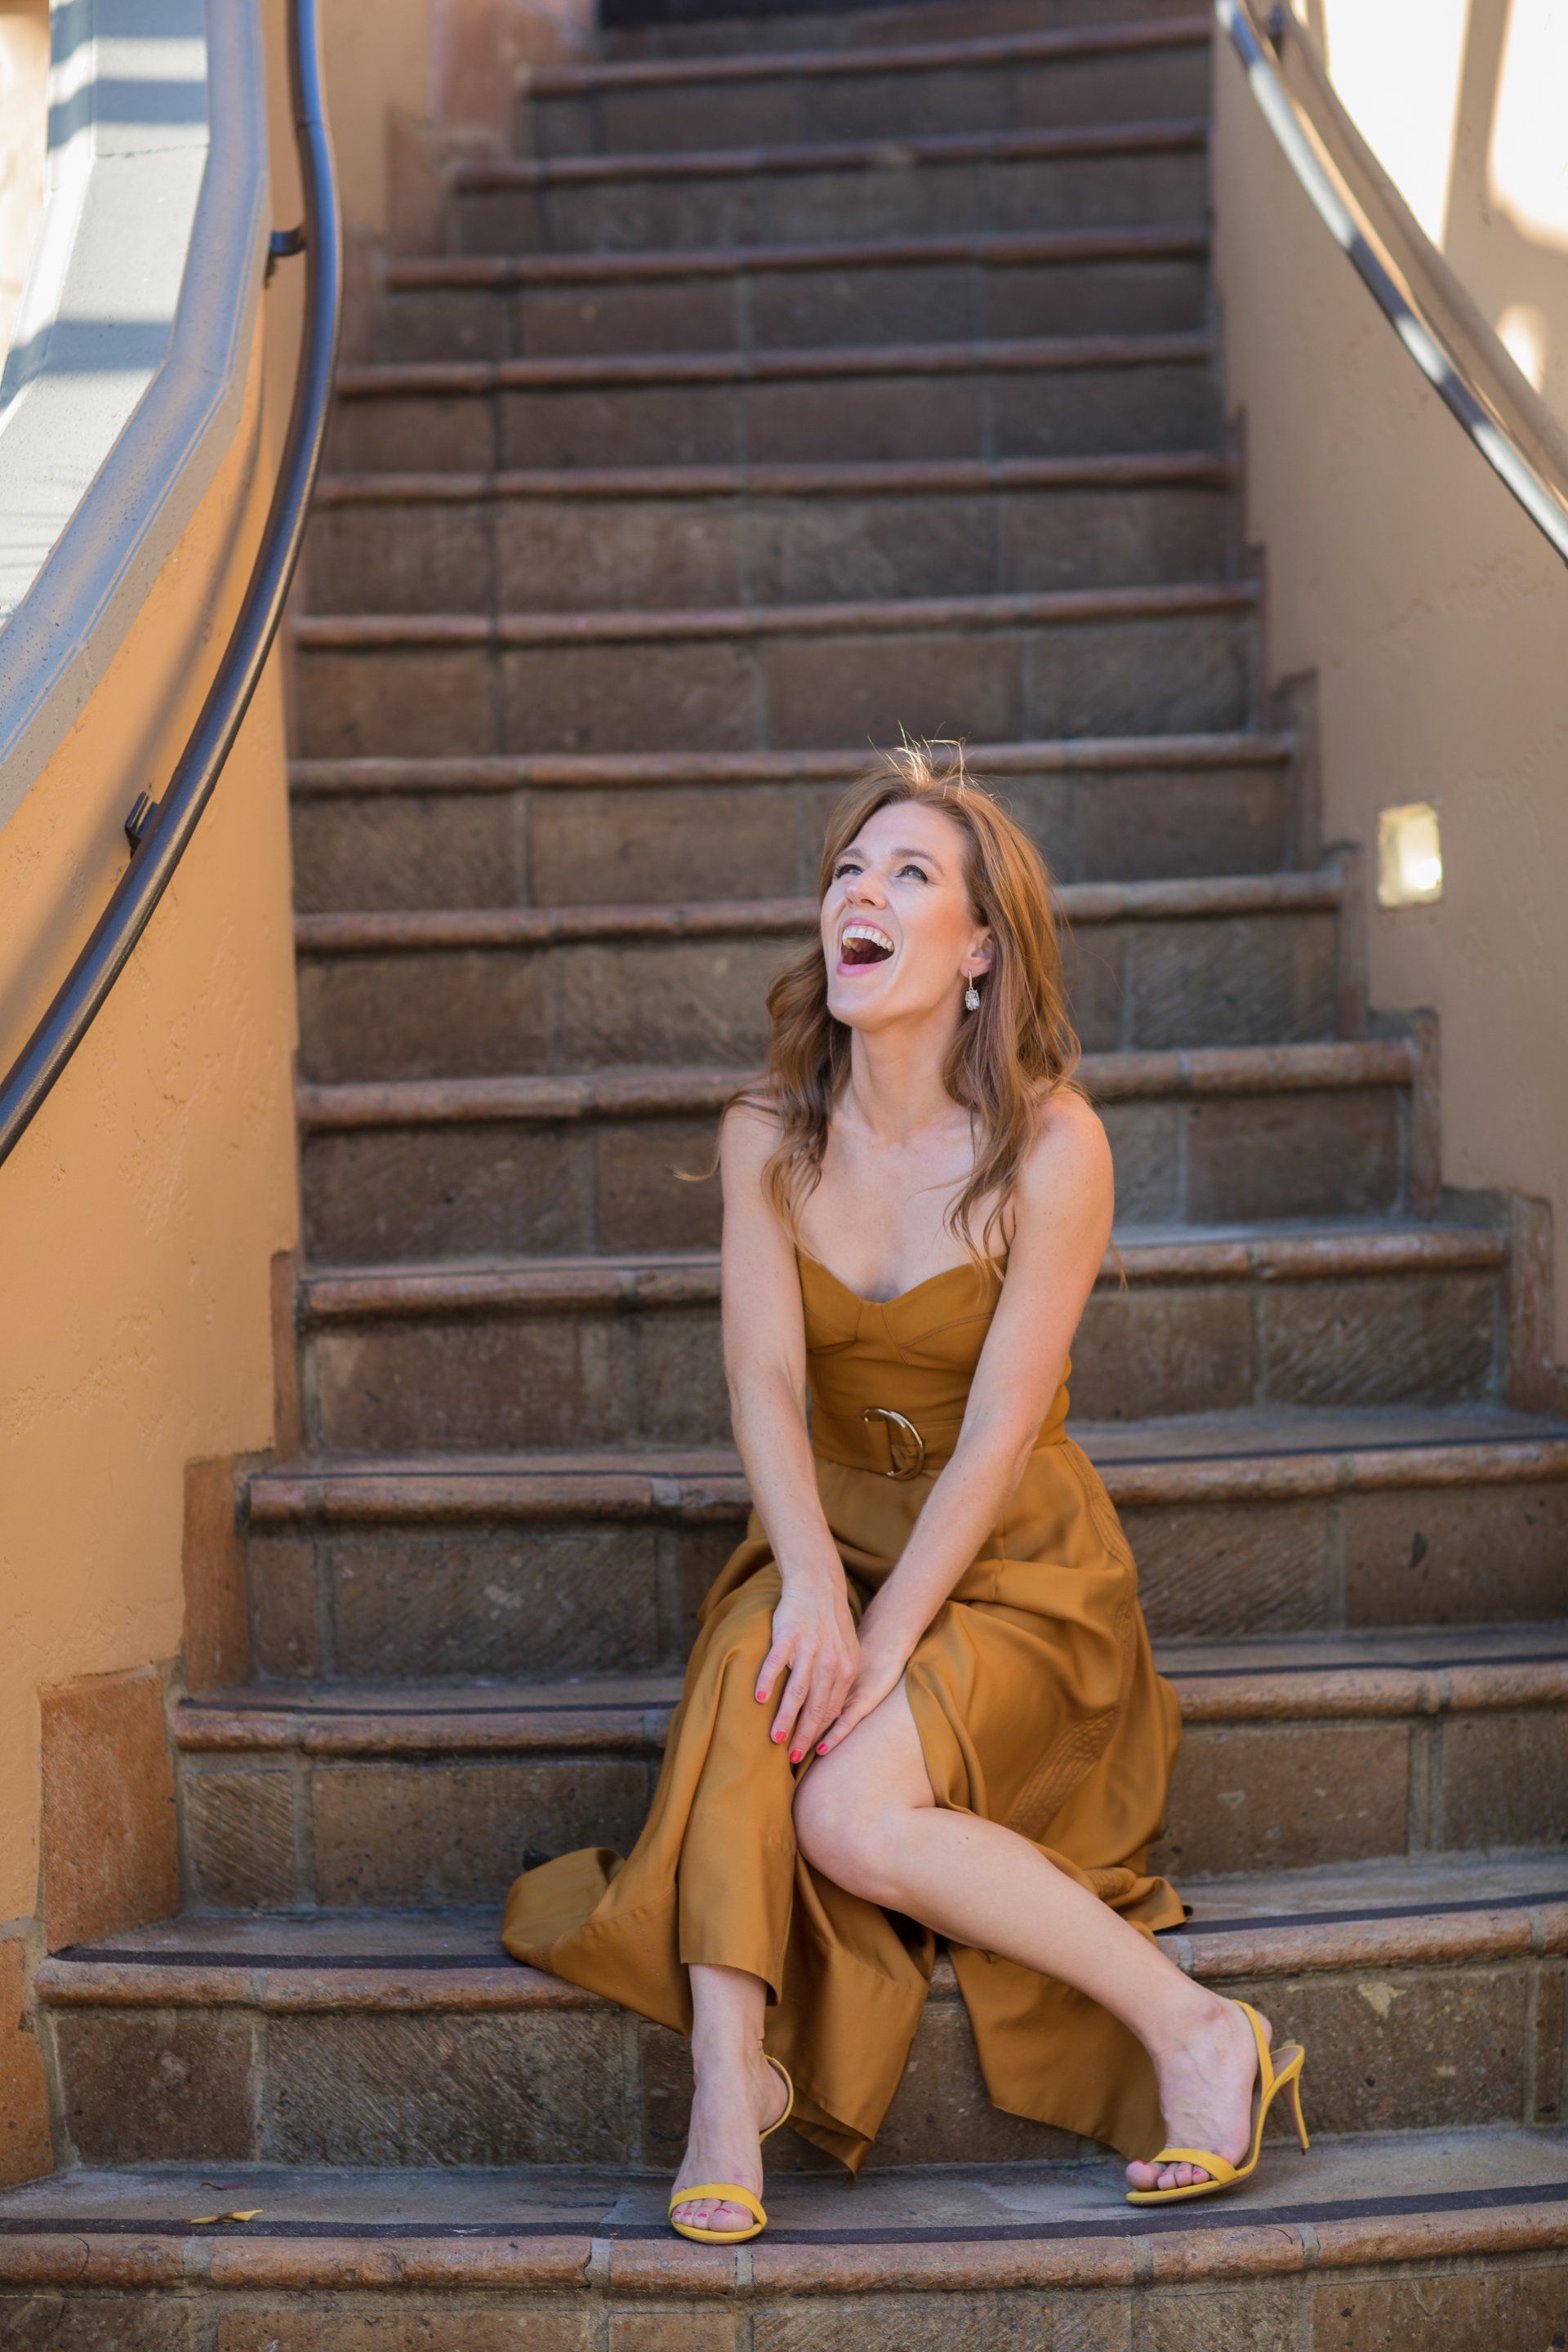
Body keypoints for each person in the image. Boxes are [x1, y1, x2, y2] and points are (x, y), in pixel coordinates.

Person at [502, 741, 1307, 2241]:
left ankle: (1201, 2032)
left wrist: (880, 1652)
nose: (859, 894)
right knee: (759, 1673)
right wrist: (810, 1582)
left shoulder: (1054, 1146)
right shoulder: (767, 1137)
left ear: (982, 948)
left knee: (852, 1816)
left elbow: (1001, 1433)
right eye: (847, 872)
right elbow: (764, 1383)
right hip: (827, 1531)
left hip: (1014, 1567)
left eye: (910, 874)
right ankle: (727, 2075)